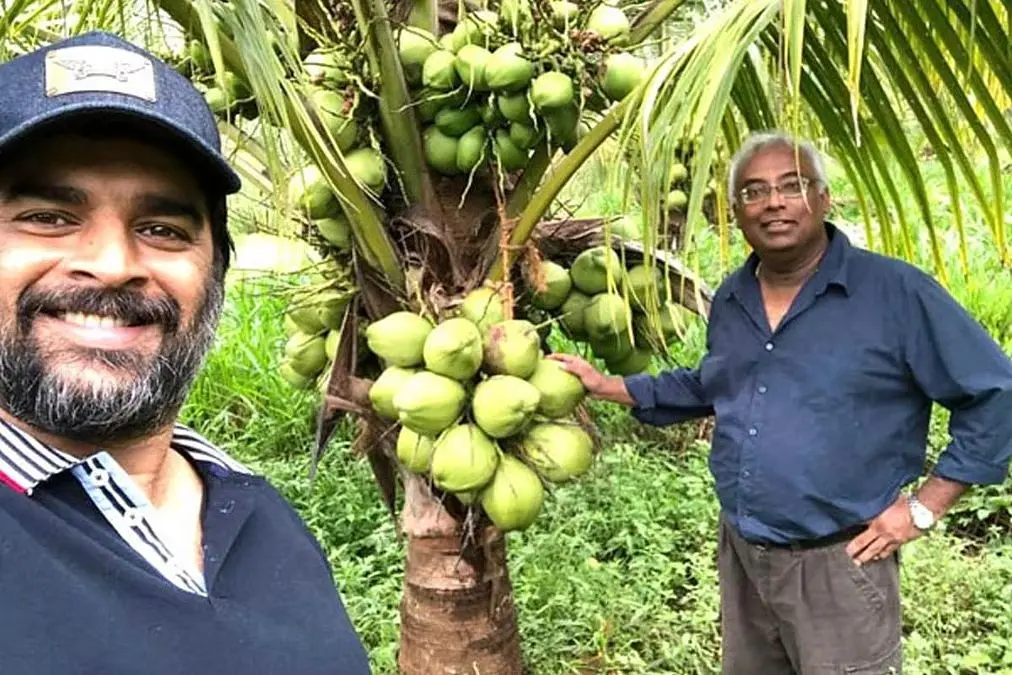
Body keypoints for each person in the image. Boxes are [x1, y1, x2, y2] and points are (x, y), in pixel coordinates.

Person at [551, 130, 1012, 674]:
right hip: (745, 554)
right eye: (753, 191)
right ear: (735, 212)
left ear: (822, 198)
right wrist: (609, 386)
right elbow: (715, 384)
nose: (773, 202)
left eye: (791, 186)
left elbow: (995, 393)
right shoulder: (732, 298)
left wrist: (924, 507)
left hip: (842, 564)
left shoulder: (895, 293)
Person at [0, 31, 372, 673]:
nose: (113, 265)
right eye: (48, 217)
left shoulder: (258, 516)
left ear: (215, 273)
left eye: (161, 230)